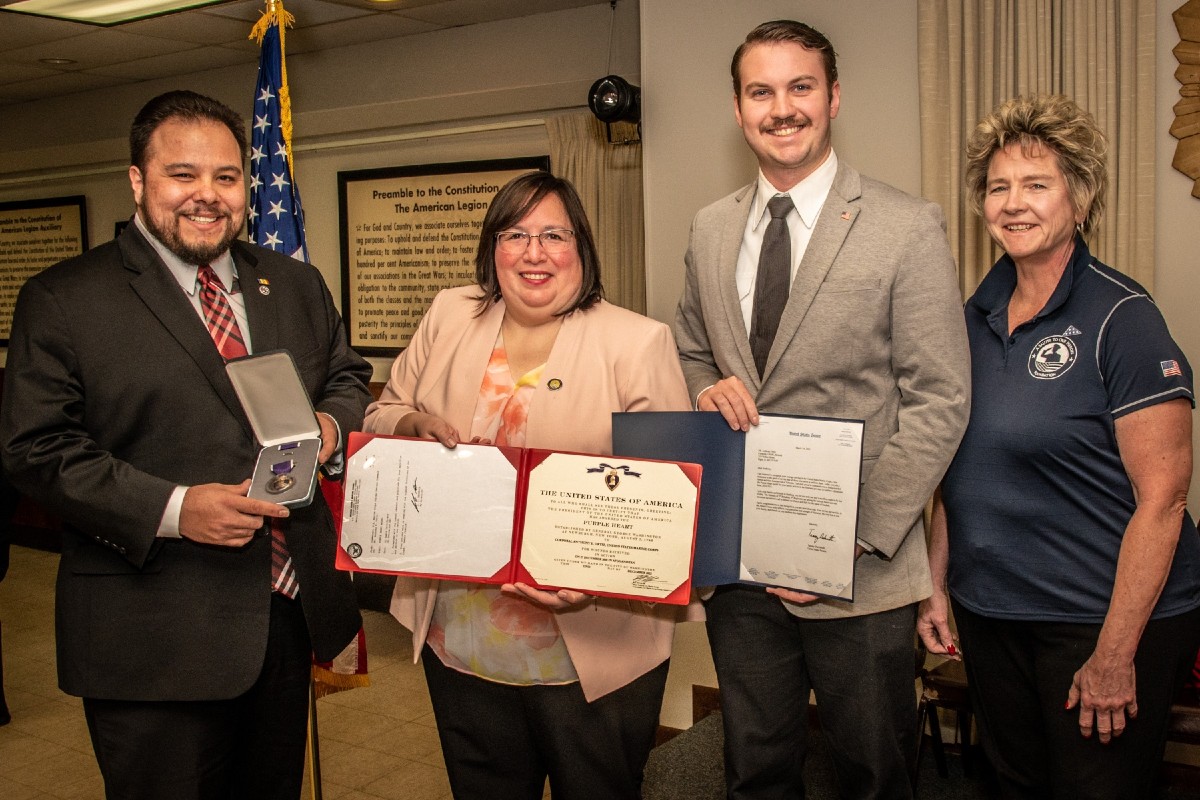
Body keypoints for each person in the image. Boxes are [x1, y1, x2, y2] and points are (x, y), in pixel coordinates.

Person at [0, 90, 372, 799]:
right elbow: (35, 448)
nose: (207, 196)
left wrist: (327, 427)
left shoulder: (291, 283)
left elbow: (347, 376)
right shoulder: (65, 298)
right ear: (138, 181)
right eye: (183, 174)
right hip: (152, 636)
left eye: (226, 178)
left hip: (283, 616)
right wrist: (173, 508)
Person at [673, 20, 971, 800]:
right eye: (760, 91)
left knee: (873, 772)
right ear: (738, 110)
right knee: (755, 768)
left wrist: (852, 540)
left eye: (800, 86)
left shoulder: (906, 226)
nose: (782, 108)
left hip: (861, 574)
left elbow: (941, 399)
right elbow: (689, 347)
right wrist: (704, 385)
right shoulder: (709, 229)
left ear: (833, 97)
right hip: (741, 569)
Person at [363, 171, 695, 800]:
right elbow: (380, 415)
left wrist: (590, 582)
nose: (534, 252)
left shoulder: (637, 342)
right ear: (493, 247)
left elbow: (670, 510)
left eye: (553, 235)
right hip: (461, 641)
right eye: (515, 234)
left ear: (582, 249)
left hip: (591, 648)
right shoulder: (448, 315)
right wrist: (412, 421)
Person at [917, 94, 1200, 799]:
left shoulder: (1123, 318)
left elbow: (1163, 501)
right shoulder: (969, 320)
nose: (1013, 203)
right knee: (1013, 786)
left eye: (1036, 184)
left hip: (1097, 618)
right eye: (998, 186)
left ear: (1079, 198)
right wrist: (937, 585)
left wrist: (1114, 653)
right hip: (993, 614)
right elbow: (958, 472)